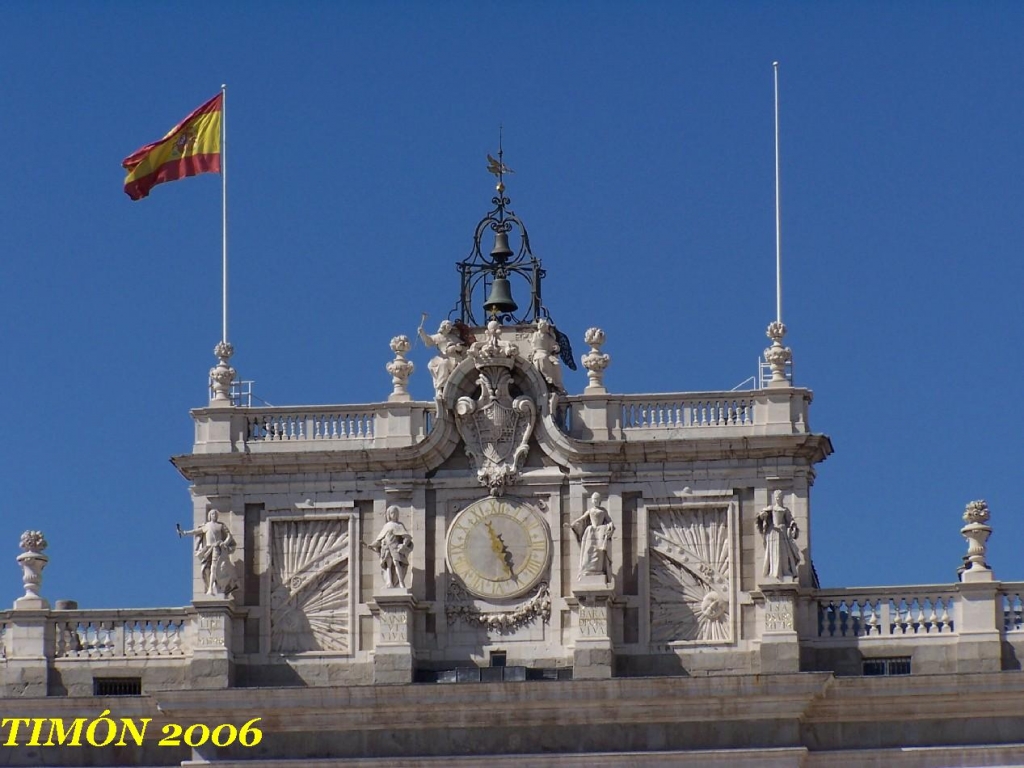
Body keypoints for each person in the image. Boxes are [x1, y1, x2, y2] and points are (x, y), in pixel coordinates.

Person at [178, 510, 237, 597]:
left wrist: (224, 543)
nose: (215, 515)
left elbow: (229, 536)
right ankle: (211, 586)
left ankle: (211, 588)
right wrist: (185, 533)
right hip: (207, 550)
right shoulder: (206, 526)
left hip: (217, 548)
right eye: (213, 514)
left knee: (214, 567)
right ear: (209, 515)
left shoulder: (220, 525)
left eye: (216, 514)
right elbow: (196, 531)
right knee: (206, 568)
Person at [417, 315, 467, 397]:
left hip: (452, 358)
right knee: (432, 364)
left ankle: (441, 388)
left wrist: (457, 347)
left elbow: (463, 347)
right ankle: (440, 388)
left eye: (449, 328)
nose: (449, 329)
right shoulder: (438, 337)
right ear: (443, 328)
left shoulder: (453, 337)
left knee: (444, 364)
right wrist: (422, 333)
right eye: (447, 328)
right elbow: (429, 341)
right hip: (442, 356)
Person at [756, 490, 800, 580]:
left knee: (783, 552)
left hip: (782, 532)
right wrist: (762, 515)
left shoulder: (785, 510)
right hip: (773, 532)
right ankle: (774, 572)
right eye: (777, 497)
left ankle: (785, 570)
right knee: (774, 553)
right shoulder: (771, 508)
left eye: (779, 497)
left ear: (782, 498)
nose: (778, 498)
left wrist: (793, 526)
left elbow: (790, 520)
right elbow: (760, 515)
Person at [571, 493, 615, 579]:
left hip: (600, 532)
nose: (595, 501)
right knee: (588, 550)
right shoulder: (590, 510)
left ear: (600, 501)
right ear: (591, 500)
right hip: (590, 532)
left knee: (599, 552)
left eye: (597, 499)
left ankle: (598, 569)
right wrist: (573, 524)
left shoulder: (603, 511)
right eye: (594, 499)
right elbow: (582, 518)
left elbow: (609, 520)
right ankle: (588, 568)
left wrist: (611, 526)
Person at [369, 506, 414, 589]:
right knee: (388, 566)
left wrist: (404, 545)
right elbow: (379, 539)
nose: (394, 515)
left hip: (395, 547)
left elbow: (407, 537)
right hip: (386, 548)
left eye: (396, 513)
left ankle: (401, 582)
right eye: (392, 513)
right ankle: (389, 583)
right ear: (389, 514)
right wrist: (371, 545)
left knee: (397, 563)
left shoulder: (399, 525)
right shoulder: (386, 526)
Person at [529, 318, 565, 392]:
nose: (542, 327)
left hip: (547, 354)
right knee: (542, 358)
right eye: (542, 325)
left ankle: (557, 383)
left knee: (557, 364)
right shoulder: (535, 335)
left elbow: (554, 345)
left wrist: (556, 348)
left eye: (544, 325)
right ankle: (549, 378)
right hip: (539, 353)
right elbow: (533, 345)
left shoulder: (548, 337)